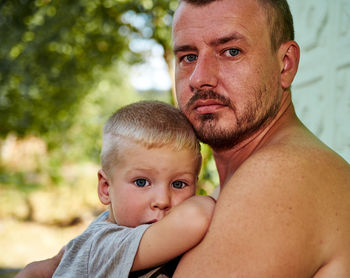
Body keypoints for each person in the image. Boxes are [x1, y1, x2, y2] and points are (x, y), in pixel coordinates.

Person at [16, 0, 350, 277]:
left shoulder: (281, 175)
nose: (200, 78)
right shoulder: (230, 188)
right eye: (188, 57)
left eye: (230, 51)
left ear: (286, 64)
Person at [48, 101, 215, 278]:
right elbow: (197, 216)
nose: (162, 200)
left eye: (178, 184)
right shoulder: (104, 245)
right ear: (106, 188)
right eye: (142, 182)